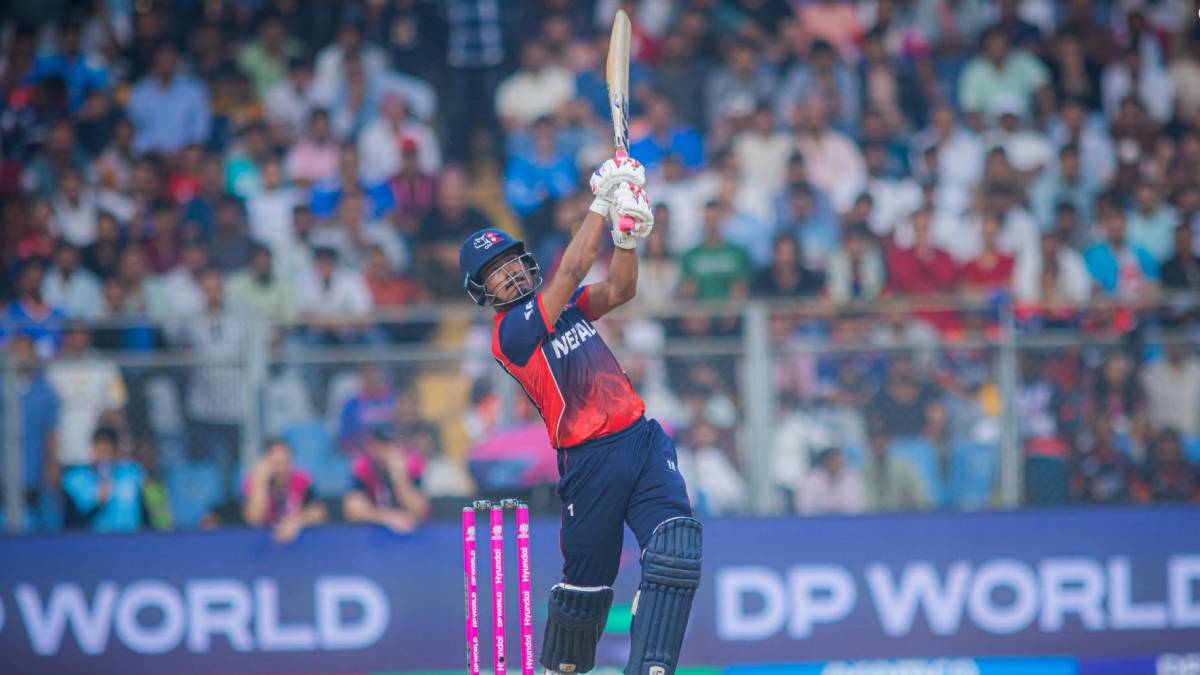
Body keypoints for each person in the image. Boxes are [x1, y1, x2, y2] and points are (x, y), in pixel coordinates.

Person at [457, 156, 700, 675]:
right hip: (589, 460)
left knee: (676, 548)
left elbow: (620, 290)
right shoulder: (511, 335)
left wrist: (626, 239)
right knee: (586, 592)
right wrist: (602, 200)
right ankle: (561, 667)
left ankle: (651, 667)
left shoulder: (565, 308)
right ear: (484, 291)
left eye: (511, 262)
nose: (509, 274)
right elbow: (572, 268)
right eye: (496, 272)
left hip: (641, 439)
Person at [343, 426, 428, 533]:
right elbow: (353, 510)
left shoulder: (412, 464)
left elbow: (420, 510)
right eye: (384, 444)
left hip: (411, 533)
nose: (389, 449)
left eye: (393, 444)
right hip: (375, 533)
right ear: (372, 446)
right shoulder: (363, 466)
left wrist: (400, 478)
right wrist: (388, 517)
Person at [62, 427, 147, 532]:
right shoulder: (75, 479)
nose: (103, 459)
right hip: (92, 539)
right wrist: (97, 503)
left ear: (116, 452)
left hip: (130, 538)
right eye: (100, 452)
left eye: (107, 452)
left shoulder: (133, 475)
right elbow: (70, 523)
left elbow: (146, 513)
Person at [242, 439, 328, 543]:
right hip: (262, 544)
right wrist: (261, 484)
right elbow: (254, 520)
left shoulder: (301, 480)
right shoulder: (254, 482)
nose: (282, 470)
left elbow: (319, 512)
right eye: (277, 464)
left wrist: (296, 521)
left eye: (286, 463)